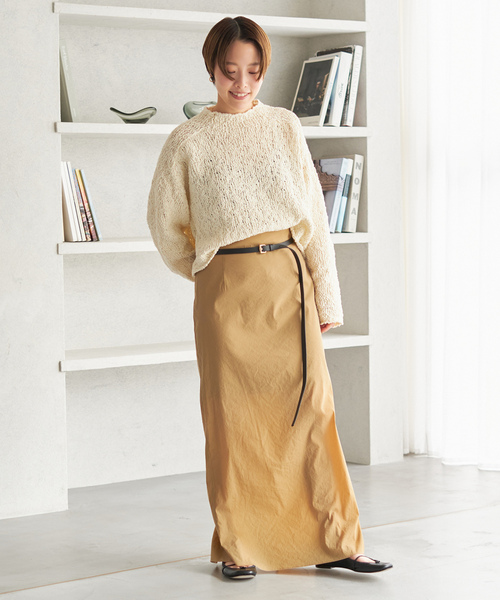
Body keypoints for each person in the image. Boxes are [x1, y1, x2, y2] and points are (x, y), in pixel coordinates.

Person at [147, 15, 392, 581]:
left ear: (264, 70)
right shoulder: (187, 140)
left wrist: (327, 300)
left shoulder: (284, 125)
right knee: (231, 421)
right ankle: (238, 545)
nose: (242, 83)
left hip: (289, 282)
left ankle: (337, 540)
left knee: (313, 412)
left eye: (254, 71)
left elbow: (313, 222)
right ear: (211, 68)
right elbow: (165, 226)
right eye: (230, 71)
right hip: (226, 294)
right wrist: (210, 273)